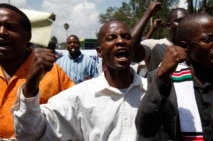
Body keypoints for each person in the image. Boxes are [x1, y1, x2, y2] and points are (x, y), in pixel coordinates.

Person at [11, 19, 158, 141]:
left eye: (126, 37)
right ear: (99, 52)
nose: (121, 42)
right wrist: (31, 84)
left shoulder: (153, 92)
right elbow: (30, 133)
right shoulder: (78, 97)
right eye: (111, 38)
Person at [136, 13, 213, 141]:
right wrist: (162, 78)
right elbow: (146, 129)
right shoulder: (163, 79)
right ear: (185, 46)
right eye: (208, 39)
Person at [0, 3, 74, 139]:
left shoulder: (52, 73)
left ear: (28, 36)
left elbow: (74, 116)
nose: (1, 32)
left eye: (10, 27)